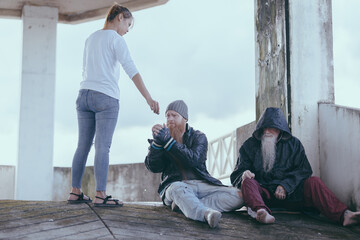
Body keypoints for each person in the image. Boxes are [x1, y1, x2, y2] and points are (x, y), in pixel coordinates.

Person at [67, 4, 159, 207]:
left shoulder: (90, 38)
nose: (127, 30)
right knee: (102, 146)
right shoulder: (116, 39)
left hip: (83, 95)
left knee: (82, 145)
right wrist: (148, 98)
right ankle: (100, 195)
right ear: (119, 17)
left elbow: (85, 69)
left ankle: (75, 192)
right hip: (106, 97)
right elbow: (131, 69)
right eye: (128, 24)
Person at [230, 107, 360, 226]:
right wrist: (244, 174)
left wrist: (286, 185)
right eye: (265, 128)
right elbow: (236, 174)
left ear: (280, 129)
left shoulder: (294, 144)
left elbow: (304, 170)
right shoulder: (249, 145)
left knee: (314, 182)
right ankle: (261, 212)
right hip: (264, 197)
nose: (267, 131)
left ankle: (344, 215)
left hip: (291, 195)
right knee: (247, 182)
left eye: (272, 127)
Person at [145, 100, 244, 228]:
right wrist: (157, 144)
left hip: (201, 183)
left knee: (239, 196)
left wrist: (169, 142)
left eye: (174, 115)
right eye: (167, 115)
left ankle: (184, 205)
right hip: (175, 185)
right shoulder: (163, 138)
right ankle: (205, 213)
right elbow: (153, 167)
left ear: (185, 118)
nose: (170, 119)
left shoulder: (199, 137)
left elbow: (193, 160)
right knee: (177, 189)